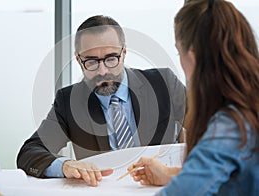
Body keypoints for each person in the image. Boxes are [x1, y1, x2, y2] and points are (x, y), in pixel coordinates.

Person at [17, 15, 186, 187]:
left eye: (111, 58)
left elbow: (211, 132)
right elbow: (29, 152)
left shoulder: (163, 83)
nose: (103, 71)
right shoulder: (68, 101)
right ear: (78, 60)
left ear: (124, 54)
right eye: (91, 61)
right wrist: (65, 165)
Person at [128, 0, 259, 195]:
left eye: (178, 51)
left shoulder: (231, 126)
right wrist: (170, 174)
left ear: (192, 57)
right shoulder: (248, 105)